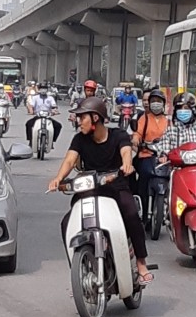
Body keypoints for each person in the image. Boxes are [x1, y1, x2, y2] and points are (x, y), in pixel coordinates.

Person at [49, 97, 154, 285]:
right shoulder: (79, 139)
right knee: (67, 223)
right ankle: (79, 270)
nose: (79, 121)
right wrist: (58, 179)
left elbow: (126, 151)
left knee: (131, 214)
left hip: (116, 187)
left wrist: (127, 165)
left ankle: (140, 263)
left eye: (82, 117)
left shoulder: (118, 135)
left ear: (95, 118)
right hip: (89, 188)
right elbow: (70, 160)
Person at [130, 89, 170, 222]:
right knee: (143, 179)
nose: (156, 104)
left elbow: (174, 138)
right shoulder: (144, 118)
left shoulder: (168, 121)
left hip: (163, 157)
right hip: (146, 155)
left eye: (159, 101)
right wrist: (136, 139)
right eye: (153, 101)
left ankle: (167, 206)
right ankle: (141, 208)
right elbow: (138, 133)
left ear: (163, 104)